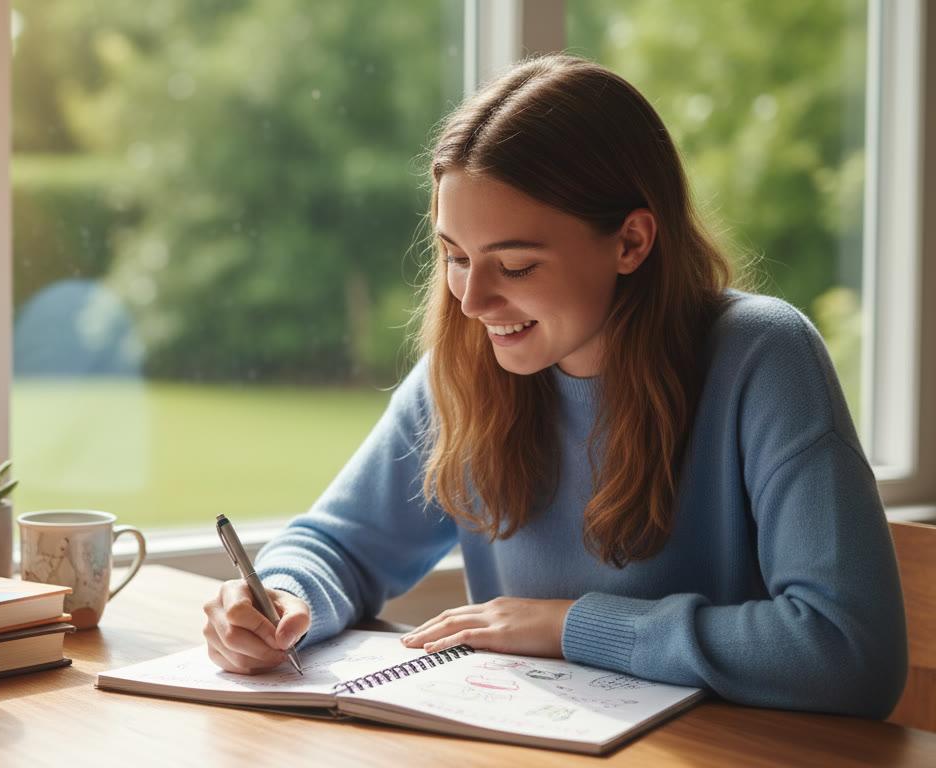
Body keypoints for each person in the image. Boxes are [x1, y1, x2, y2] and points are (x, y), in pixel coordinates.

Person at [201, 54, 907, 719]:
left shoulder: (763, 356)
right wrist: (280, 597)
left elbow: (848, 652)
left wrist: (572, 625)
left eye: (515, 266)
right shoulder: (471, 362)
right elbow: (341, 547)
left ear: (631, 242)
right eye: (455, 257)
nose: (473, 302)